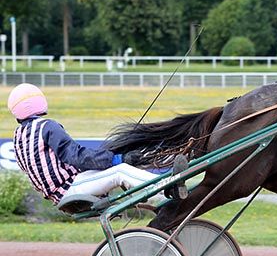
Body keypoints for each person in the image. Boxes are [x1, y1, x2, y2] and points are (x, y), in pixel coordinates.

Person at [7, 83, 174, 206]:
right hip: (69, 189)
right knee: (120, 171)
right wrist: (117, 159)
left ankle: (161, 199)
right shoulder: (47, 126)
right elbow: (76, 156)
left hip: (61, 193)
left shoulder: (17, 137)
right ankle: (169, 186)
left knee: (115, 170)